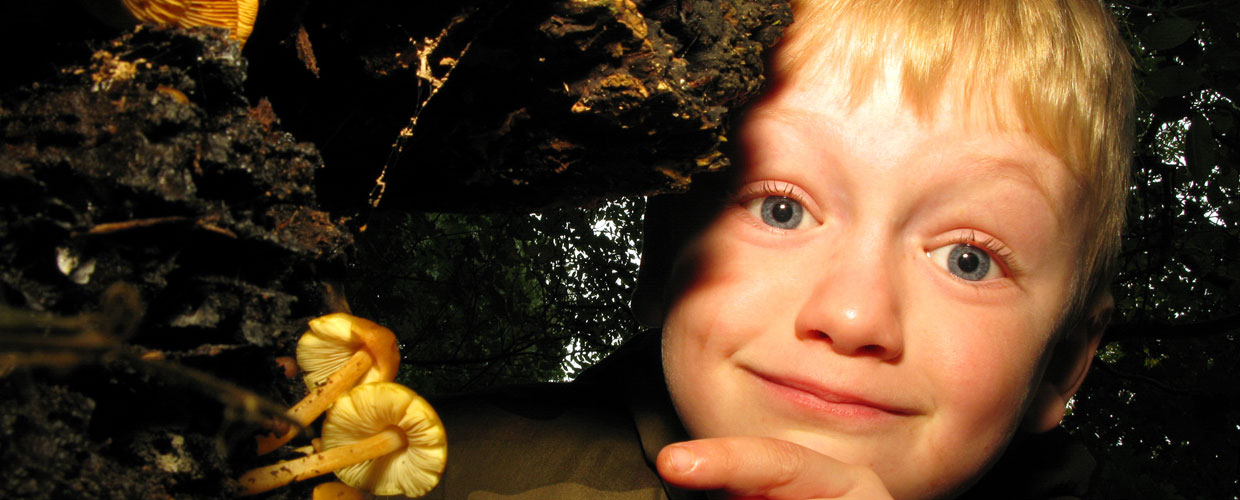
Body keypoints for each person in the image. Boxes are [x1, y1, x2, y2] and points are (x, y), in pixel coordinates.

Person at [423, 0, 1134, 498]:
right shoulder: (426, 475)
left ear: (1065, 361)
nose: (854, 316)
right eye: (782, 209)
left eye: (967, 259)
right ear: (663, 259)